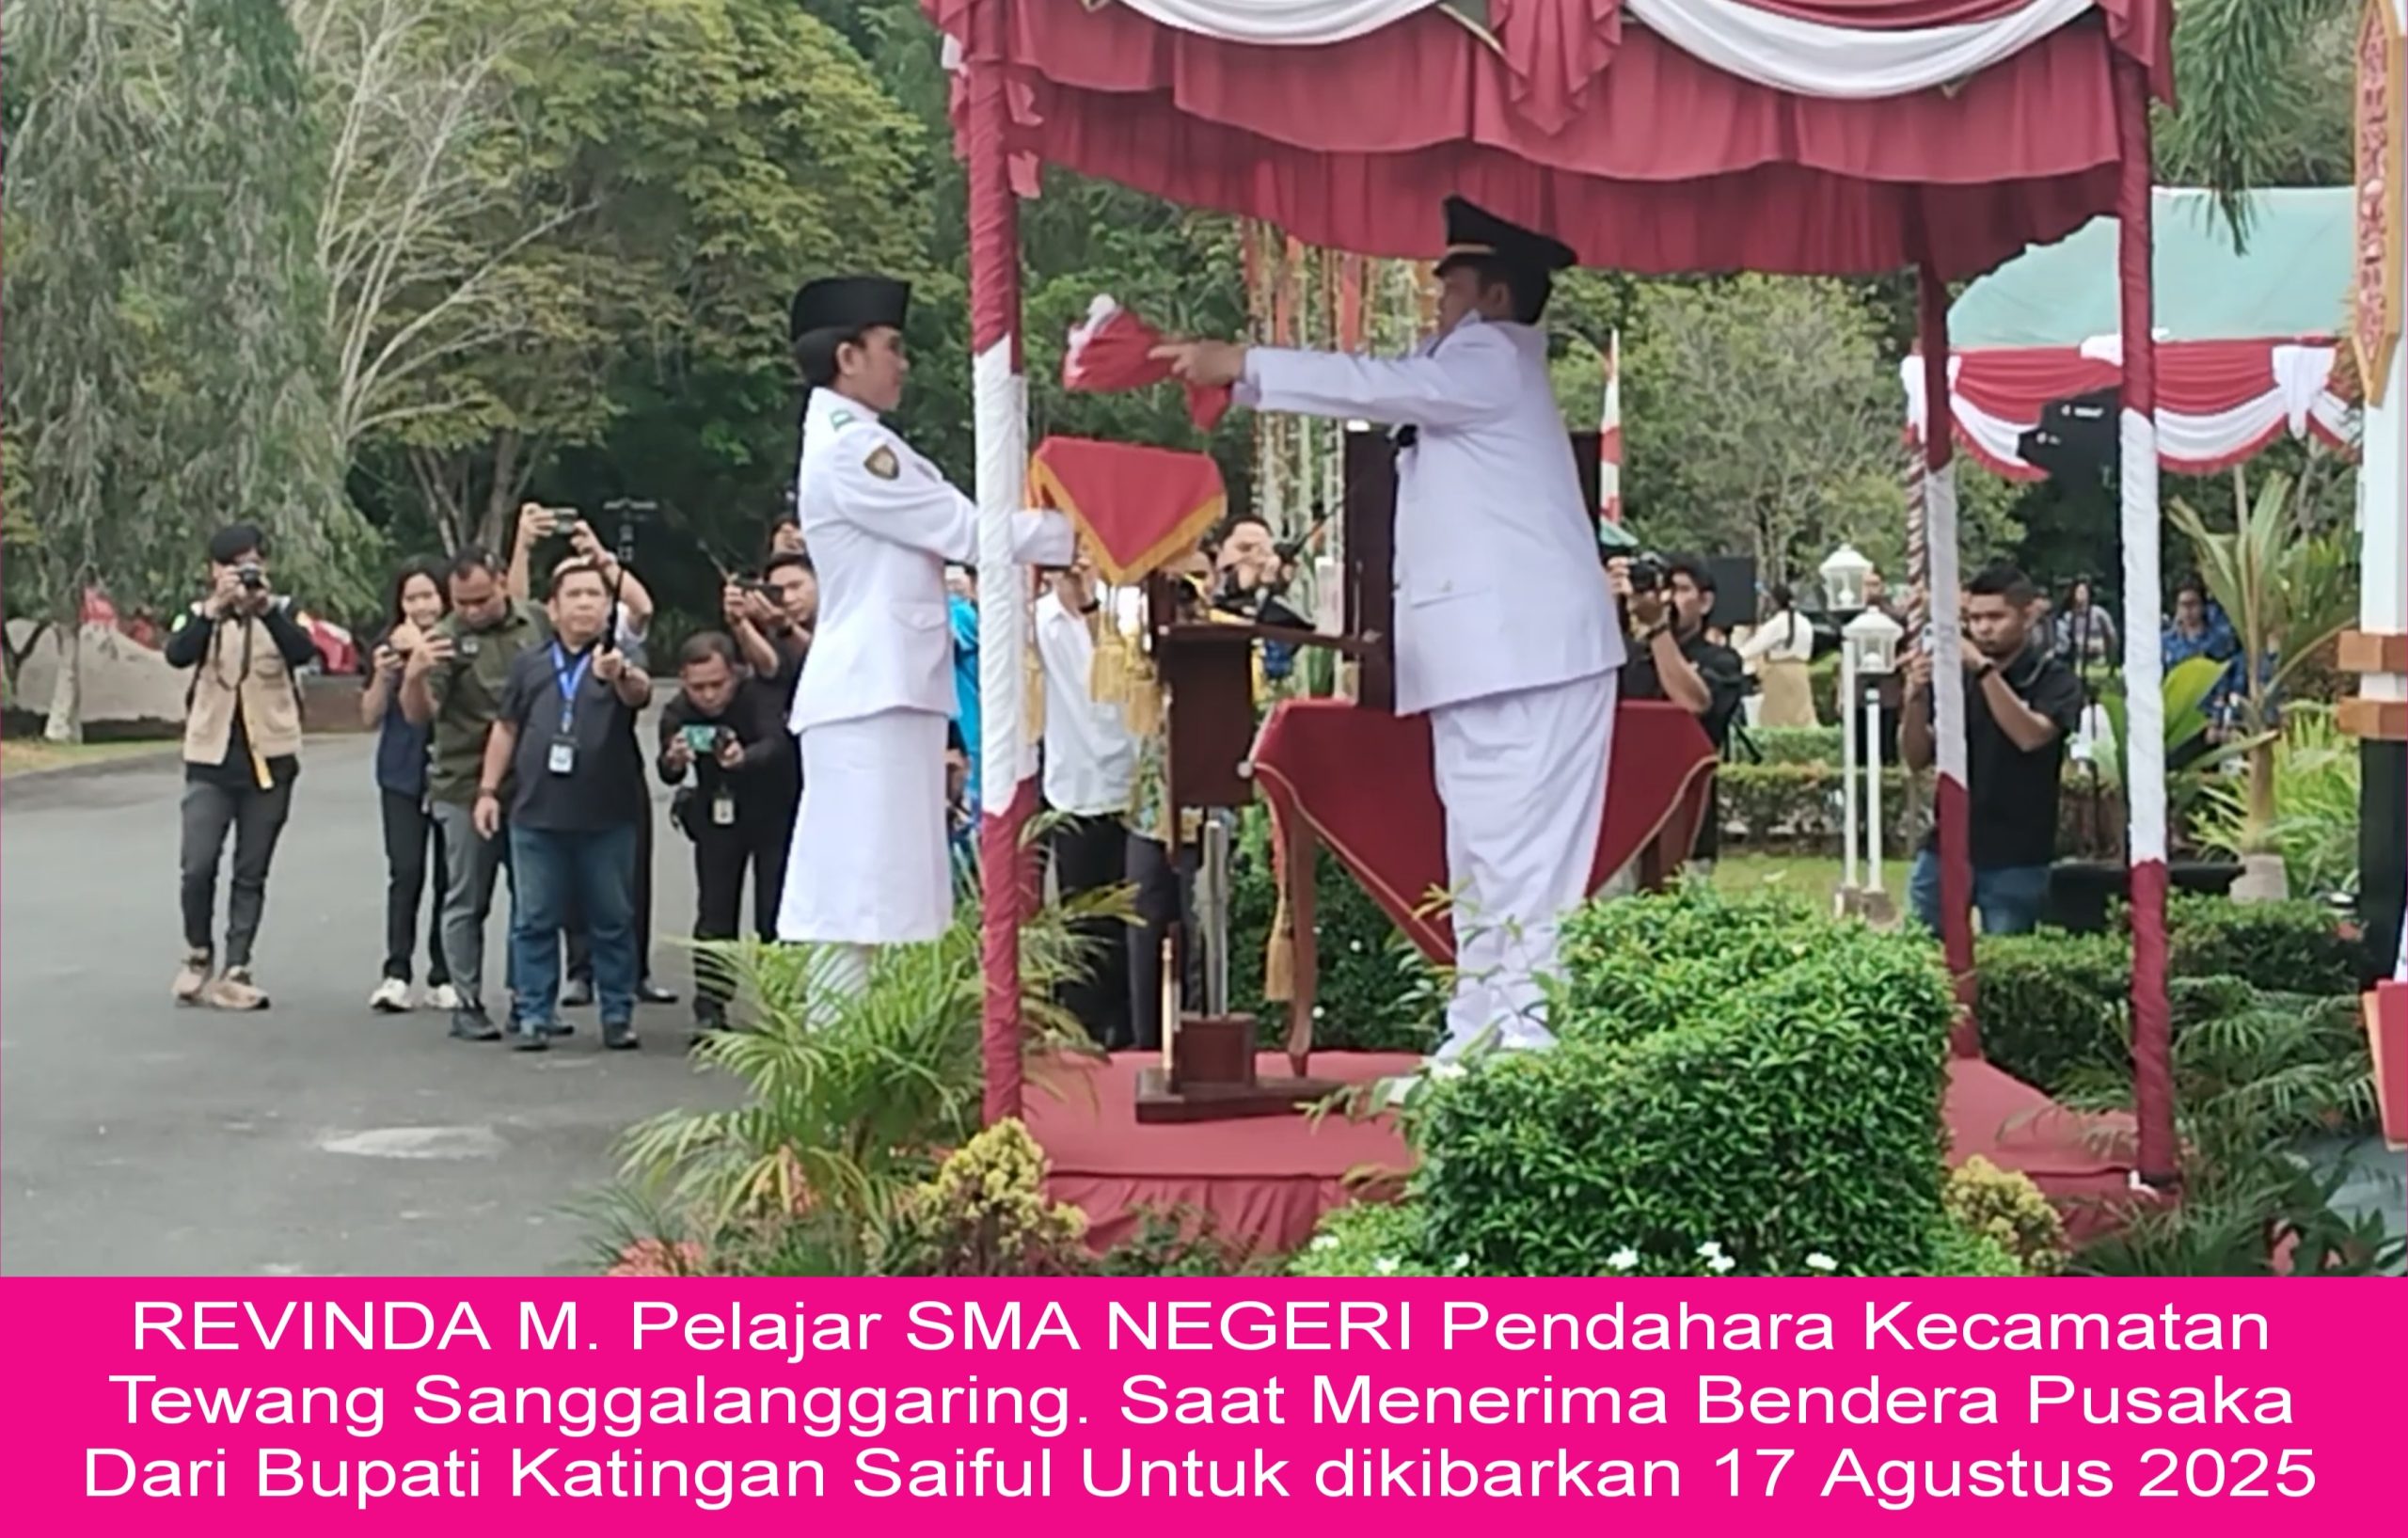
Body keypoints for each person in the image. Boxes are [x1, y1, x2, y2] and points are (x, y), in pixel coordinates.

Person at [1156, 197, 1623, 1057]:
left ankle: (1522, 1042)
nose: (1436, 308)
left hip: (1526, 658)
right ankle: (1481, 1035)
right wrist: (1240, 375)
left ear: (1492, 298)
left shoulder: (1491, 357)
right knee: (1485, 862)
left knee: (1518, 867)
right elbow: (1387, 385)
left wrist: (1243, 361)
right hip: (1502, 659)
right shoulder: (1476, 372)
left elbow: (1370, 381)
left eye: (1450, 290)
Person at [776, 273, 1076, 991]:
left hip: (888, 687)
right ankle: (842, 1047)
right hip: (868, 691)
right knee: (857, 901)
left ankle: (860, 1042)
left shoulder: (861, 440)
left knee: (887, 897)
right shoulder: (853, 450)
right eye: (892, 347)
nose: (903, 363)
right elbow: (965, 530)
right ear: (848, 356)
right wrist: (1077, 530)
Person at [474, 558, 654, 1050]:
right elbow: (506, 727)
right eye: (573, 595)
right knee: (534, 919)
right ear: (552, 609)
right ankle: (534, 1013)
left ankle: (617, 1013)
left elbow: (639, 694)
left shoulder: (617, 658)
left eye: (594, 595)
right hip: (536, 814)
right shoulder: (530, 664)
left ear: (607, 607)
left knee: (612, 919)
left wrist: (619, 674)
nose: (584, 604)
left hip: (607, 816)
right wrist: (488, 791)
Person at [163, 524, 321, 1009]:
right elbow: (176, 654)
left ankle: (237, 966)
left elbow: (304, 652)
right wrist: (216, 608)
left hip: (270, 759)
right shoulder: (198, 614)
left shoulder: (285, 612)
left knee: (251, 870)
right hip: (210, 758)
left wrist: (265, 608)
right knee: (197, 865)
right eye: (232, 565)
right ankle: (197, 952)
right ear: (214, 570)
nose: (243, 573)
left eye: (251, 563)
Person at [402, 546, 550, 1042]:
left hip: (529, 784)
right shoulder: (445, 638)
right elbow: (419, 714)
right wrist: (415, 674)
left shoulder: (536, 622)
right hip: (463, 783)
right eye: (461, 601)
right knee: (467, 897)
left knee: (532, 898)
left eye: (481, 599)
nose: (471, 610)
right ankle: (466, 1001)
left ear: (503, 582)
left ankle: (528, 998)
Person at [1900, 563, 2084, 936]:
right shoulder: (1953, 677)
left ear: (2027, 616)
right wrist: (1914, 699)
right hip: (1946, 844)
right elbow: (1916, 756)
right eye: (1974, 618)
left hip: (2017, 853)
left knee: (2007, 957)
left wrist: (1985, 671)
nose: (1983, 628)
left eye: (1996, 617)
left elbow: (2030, 736)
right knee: (1922, 950)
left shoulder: (2052, 678)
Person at [657, 630, 796, 1038]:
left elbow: (778, 745)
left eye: (717, 685)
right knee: (714, 912)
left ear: (735, 673)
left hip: (771, 810)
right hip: (717, 815)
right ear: (683, 680)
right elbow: (667, 771)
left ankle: (779, 1004)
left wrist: (743, 757)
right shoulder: (678, 710)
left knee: (774, 912)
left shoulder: (757, 696)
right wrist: (674, 758)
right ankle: (710, 1005)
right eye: (697, 687)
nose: (708, 696)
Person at [1033, 554, 1139, 1047]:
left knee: (1134, 916)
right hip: (1073, 783)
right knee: (1082, 914)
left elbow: (1124, 676)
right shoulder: (1036, 620)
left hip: (1134, 784)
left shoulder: (1132, 610)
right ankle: (1084, 1026)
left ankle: (1133, 1024)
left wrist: (1091, 602)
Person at [362, 558, 456, 1013]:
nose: (421, 607)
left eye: (428, 596)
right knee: (406, 871)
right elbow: (369, 715)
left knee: (449, 876)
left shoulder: (454, 642)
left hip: (450, 771)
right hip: (400, 773)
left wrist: (421, 653)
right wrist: (384, 674)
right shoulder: (388, 646)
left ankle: (445, 974)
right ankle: (396, 972)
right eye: (411, 598)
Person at [1613, 555, 1745, 878]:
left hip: (1688, 827)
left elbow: (1694, 703)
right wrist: (1608, 604)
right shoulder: (1632, 657)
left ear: (1705, 602)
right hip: (1624, 828)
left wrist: (1658, 629)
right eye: (1662, 589)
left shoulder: (1722, 660)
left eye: (1681, 589)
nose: (1668, 599)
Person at [1737, 582, 1816, 728]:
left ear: (1774, 601)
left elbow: (1755, 646)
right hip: (1801, 671)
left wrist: (1735, 656)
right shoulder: (1805, 622)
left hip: (1780, 673)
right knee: (1801, 715)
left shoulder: (1777, 623)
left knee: (1777, 717)